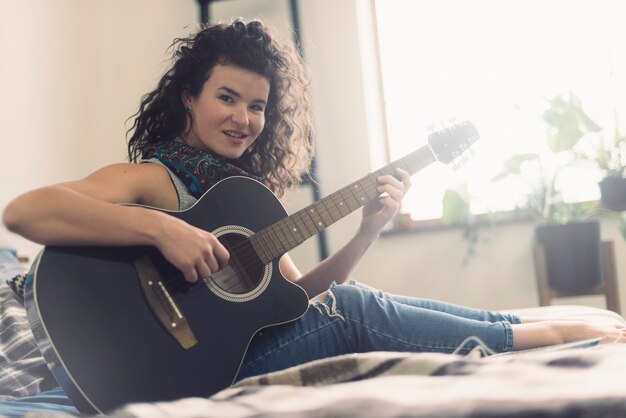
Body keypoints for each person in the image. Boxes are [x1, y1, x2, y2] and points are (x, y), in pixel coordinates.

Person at [2, 18, 625, 407]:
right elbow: (27, 211)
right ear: (189, 97)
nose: (244, 119)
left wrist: (364, 235)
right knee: (356, 311)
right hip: (178, 364)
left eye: (257, 106)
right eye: (226, 97)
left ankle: (510, 326)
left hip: (227, 348)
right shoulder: (152, 178)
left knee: (350, 298)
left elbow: (298, 299)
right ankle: (525, 340)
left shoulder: (242, 198)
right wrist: (162, 228)